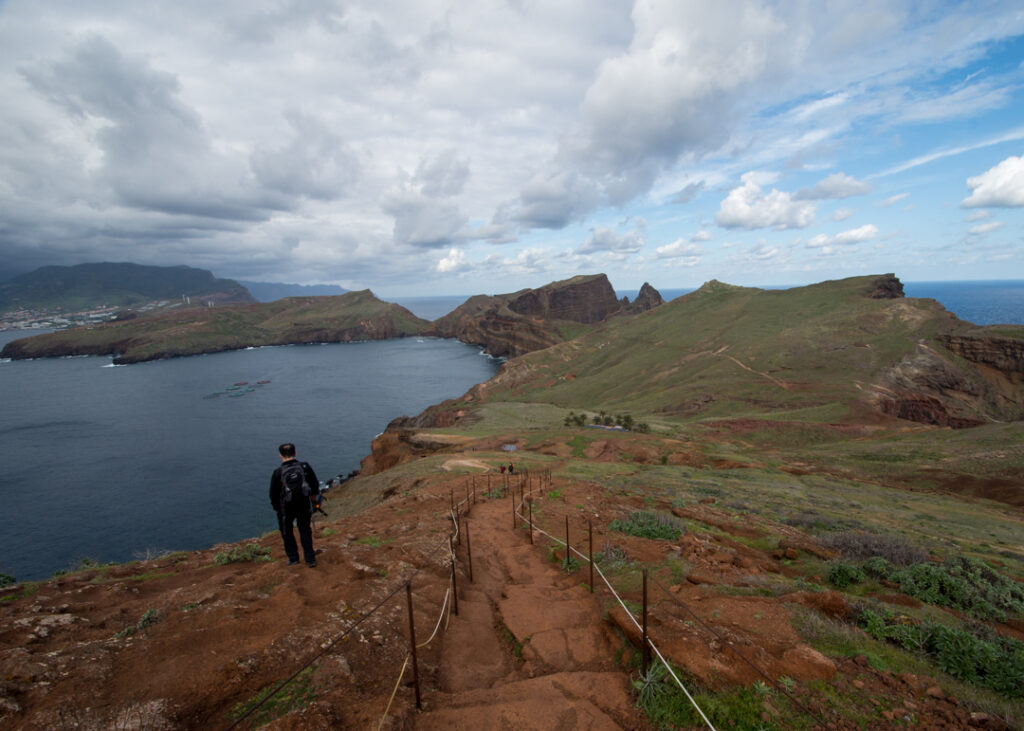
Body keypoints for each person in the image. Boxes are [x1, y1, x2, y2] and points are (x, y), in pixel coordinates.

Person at [269, 442, 321, 567]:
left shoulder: (278, 472)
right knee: (304, 530)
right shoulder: (304, 466)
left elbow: (273, 494)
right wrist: (313, 500)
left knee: (287, 532)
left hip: (286, 508)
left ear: (280, 455)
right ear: (295, 453)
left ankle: (293, 558)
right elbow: (314, 485)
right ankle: (310, 559)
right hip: (303, 504)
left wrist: (278, 509)